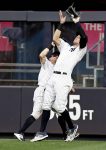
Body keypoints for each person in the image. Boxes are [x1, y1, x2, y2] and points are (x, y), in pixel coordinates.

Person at [32, 10, 88, 142]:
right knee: (46, 104)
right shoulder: (66, 47)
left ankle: (72, 127)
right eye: (76, 35)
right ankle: (42, 132)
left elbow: (84, 37)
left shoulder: (81, 50)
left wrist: (77, 22)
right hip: (54, 77)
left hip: (64, 79)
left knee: (58, 107)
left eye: (78, 36)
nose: (76, 36)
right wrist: (61, 24)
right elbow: (55, 39)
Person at [14, 42, 64, 141]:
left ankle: (21, 132)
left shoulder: (57, 69)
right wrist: (51, 46)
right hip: (42, 91)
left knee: (58, 111)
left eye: (54, 56)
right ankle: (32, 132)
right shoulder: (47, 64)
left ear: (57, 58)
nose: (52, 56)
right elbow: (41, 55)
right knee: (38, 113)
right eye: (52, 55)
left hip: (48, 92)